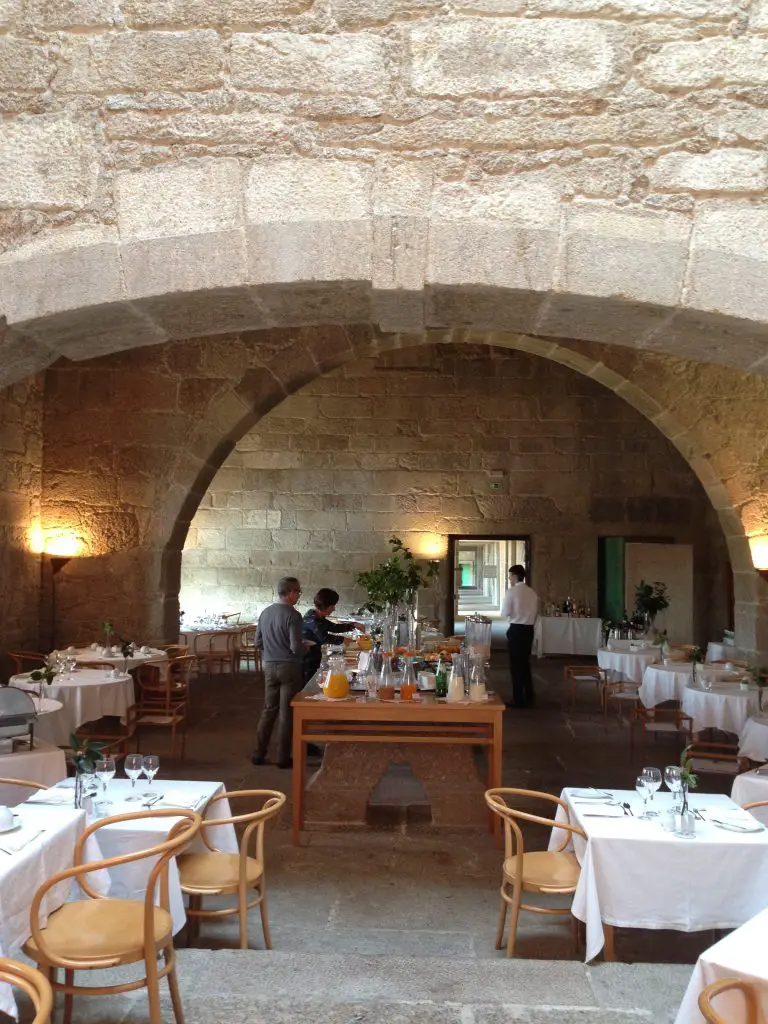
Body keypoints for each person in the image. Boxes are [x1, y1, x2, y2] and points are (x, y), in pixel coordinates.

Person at [252, 576, 309, 769]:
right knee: (286, 713)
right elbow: (295, 646)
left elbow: (257, 642)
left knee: (269, 709)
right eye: (298, 592)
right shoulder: (293, 615)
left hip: (269, 665)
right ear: (290, 592)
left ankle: (258, 753)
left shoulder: (265, 613)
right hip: (289, 667)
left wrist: (272, 649)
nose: (299, 596)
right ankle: (282, 757)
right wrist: (306, 648)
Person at [302, 588, 366, 683]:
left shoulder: (316, 616)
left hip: (313, 656)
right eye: (333, 606)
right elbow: (324, 638)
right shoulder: (313, 620)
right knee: (308, 685)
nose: (334, 609)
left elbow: (334, 627)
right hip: (307, 660)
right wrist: (343, 639)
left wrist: (353, 625)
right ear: (326, 606)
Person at [501, 564, 538, 708]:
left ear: (515, 576)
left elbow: (505, 613)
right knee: (525, 663)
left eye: (510, 576)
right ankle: (529, 695)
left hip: (516, 630)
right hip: (529, 630)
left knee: (515, 666)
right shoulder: (532, 592)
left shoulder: (512, 592)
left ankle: (518, 698)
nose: (509, 579)